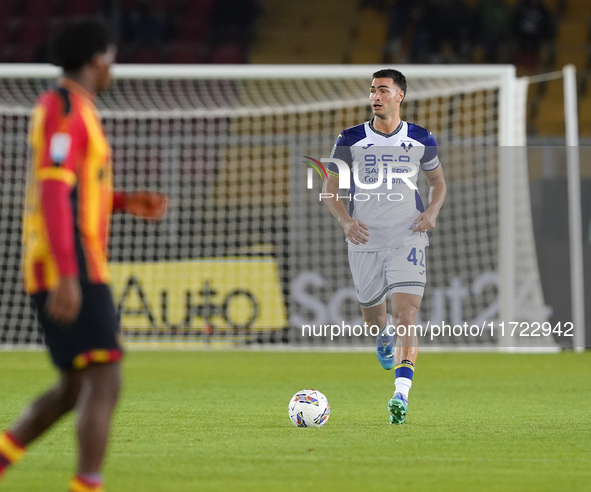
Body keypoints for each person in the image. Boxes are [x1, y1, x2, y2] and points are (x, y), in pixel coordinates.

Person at [0, 18, 168, 492]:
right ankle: (87, 486)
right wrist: (68, 276)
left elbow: (75, 190)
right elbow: (53, 195)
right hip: (67, 262)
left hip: (70, 259)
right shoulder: (64, 108)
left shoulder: (81, 110)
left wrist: (122, 201)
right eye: (111, 56)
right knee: (106, 376)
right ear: (99, 58)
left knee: (74, 388)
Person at [322, 69, 447, 425]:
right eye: (372, 90)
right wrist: (346, 221)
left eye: (383, 90)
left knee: (407, 315)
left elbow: (438, 184)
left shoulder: (422, 138)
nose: (375, 96)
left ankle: (400, 395)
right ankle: (382, 338)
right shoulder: (350, 139)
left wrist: (433, 211)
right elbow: (329, 191)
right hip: (364, 241)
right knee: (375, 321)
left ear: (399, 96)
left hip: (408, 237)